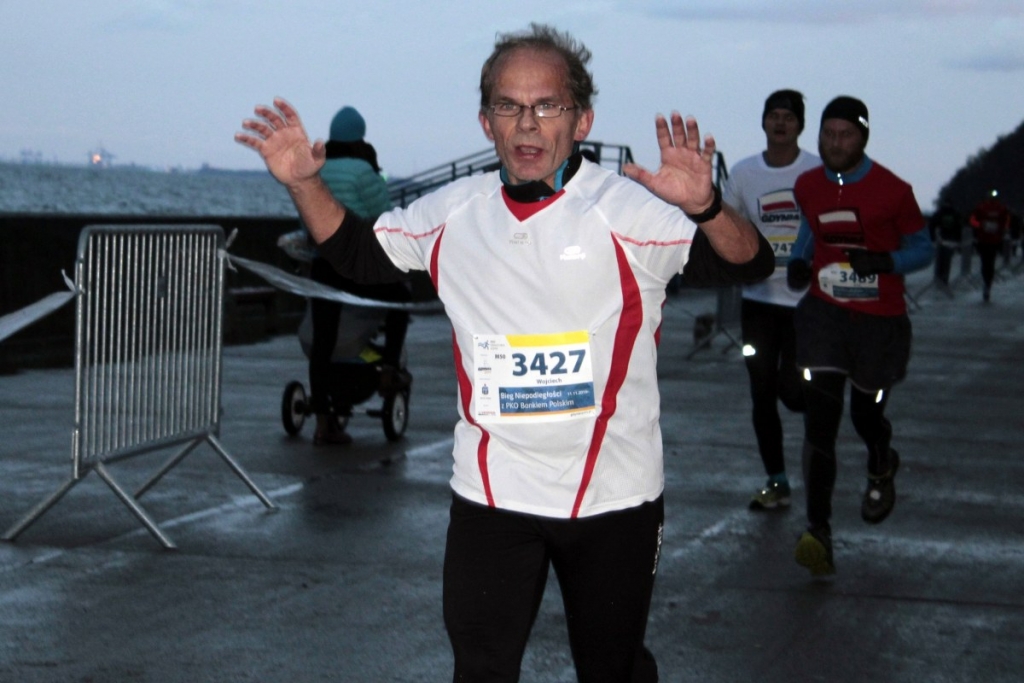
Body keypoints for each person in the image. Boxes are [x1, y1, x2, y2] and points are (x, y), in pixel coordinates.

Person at [236, 23, 773, 682]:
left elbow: (747, 264)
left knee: (611, 669)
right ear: (485, 121)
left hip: (613, 497)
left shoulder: (626, 213)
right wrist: (304, 184)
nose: (527, 124)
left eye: (547, 105)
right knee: (481, 669)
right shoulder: (453, 213)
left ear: (582, 120)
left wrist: (709, 206)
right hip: (493, 495)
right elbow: (358, 254)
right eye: (509, 106)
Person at [786, 96, 933, 577]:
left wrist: (887, 261)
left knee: (865, 416)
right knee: (820, 423)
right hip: (824, 316)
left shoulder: (893, 190)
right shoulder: (808, 185)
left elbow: (924, 248)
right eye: (828, 134)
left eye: (845, 134)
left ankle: (880, 461)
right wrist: (800, 261)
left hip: (879, 324)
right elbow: (811, 228)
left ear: (863, 138)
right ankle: (818, 530)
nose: (835, 143)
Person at [722, 89, 820, 511]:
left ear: (800, 125)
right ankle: (776, 481)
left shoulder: (816, 171)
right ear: (763, 122)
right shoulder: (744, 173)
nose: (780, 123)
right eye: (774, 116)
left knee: (793, 393)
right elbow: (726, 225)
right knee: (761, 393)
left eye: (789, 117)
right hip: (759, 301)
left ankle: (819, 442)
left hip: (805, 303)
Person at [305, 105, 411, 445]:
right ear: (359, 136)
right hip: (358, 266)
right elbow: (384, 216)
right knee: (401, 300)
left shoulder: (316, 169)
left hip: (323, 265)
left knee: (322, 341)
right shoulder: (363, 171)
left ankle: (323, 421)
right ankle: (389, 368)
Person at [968, 189, 1010, 302]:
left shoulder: (1001, 209)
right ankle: (987, 283)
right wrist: (981, 225)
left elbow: (1006, 222)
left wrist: (1002, 230)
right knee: (985, 263)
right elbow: (972, 220)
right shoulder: (981, 208)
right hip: (983, 240)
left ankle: (987, 285)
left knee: (989, 263)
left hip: (994, 240)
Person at [928, 203, 963, 287]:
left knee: (942, 260)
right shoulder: (953, 213)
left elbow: (932, 224)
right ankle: (943, 279)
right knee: (945, 260)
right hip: (947, 239)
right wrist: (958, 240)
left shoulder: (941, 213)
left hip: (944, 239)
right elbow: (959, 227)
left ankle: (940, 278)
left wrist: (932, 237)